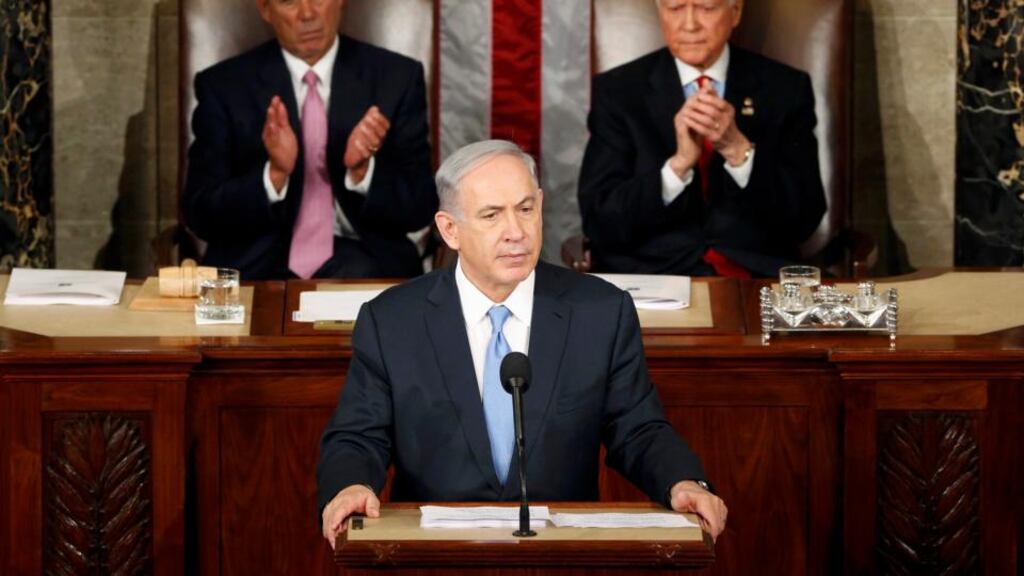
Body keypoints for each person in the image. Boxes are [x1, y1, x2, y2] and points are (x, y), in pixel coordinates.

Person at [317, 140, 727, 549]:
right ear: (449, 230)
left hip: (561, 554)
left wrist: (683, 480)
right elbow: (359, 436)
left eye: (526, 209)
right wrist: (350, 486)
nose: (516, 232)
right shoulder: (393, 320)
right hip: (434, 552)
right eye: (492, 215)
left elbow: (637, 429)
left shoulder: (599, 311)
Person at [183, 0, 437, 280]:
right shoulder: (223, 86)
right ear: (265, 10)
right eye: (289, 2)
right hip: (255, 263)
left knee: (361, 279)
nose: (307, 14)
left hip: (364, 256)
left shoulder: (396, 78)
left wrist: (363, 172)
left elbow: (421, 206)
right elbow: (200, 212)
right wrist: (274, 175)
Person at [578, 0, 826, 278]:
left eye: (706, 8)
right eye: (675, 9)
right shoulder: (618, 92)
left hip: (755, 278)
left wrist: (738, 151)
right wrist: (677, 167)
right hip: (652, 275)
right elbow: (599, 220)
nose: (690, 24)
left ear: (735, 12)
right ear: (661, 13)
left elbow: (805, 219)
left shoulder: (786, 88)